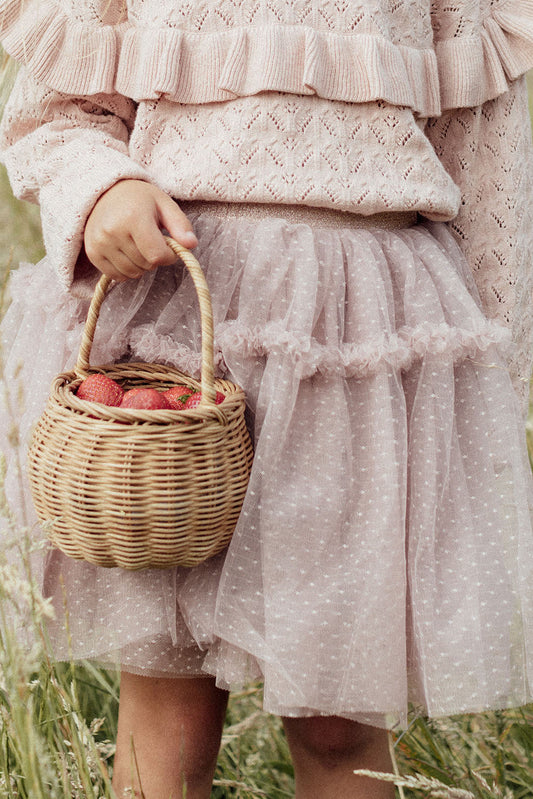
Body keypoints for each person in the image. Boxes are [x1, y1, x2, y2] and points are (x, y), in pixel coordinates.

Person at [0, 1, 532, 797]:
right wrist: (101, 186)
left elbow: (487, 150)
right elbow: (54, 107)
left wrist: (485, 372)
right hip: (180, 318)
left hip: (367, 342)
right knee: (170, 702)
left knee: (339, 719)